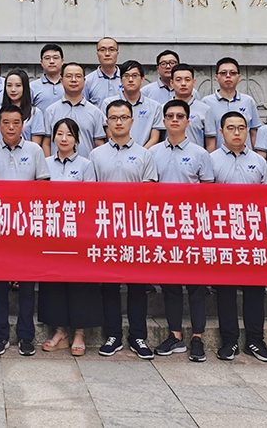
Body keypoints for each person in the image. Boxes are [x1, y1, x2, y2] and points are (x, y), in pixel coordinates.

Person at [91, 99, 158, 358]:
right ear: (107, 122)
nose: (119, 122)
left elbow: (150, 192)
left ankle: (138, 336)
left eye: (123, 117)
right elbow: (91, 194)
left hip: (135, 228)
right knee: (109, 285)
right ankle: (113, 335)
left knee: (137, 285)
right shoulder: (96, 155)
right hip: (106, 228)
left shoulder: (144, 154)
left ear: (132, 121)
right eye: (114, 118)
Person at [0, 105, 50, 357]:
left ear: (23, 125)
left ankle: (25, 336)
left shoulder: (34, 150)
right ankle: (0, 336)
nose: (11, 127)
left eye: (16, 122)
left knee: (27, 286)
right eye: (6, 122)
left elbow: (43, 185)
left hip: (27, 227)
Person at [149, 100, 214, 362]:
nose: (174, 120)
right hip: (164, 226)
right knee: (170, 285)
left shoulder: (200, 154)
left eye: (179, 116)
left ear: (188, 121)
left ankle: (198, 337)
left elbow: (208, 193)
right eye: (170, 116)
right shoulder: (153, 153)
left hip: (193, 226)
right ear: (164, 121)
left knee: (196, 286)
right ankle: (175, 335)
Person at [210, 111, 267, 362]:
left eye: (241, 128)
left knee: (254, 289)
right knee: (225, 289)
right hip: (222, 234)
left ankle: (255, 340)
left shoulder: (258, 161)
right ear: (221, 131)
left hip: (252, 234)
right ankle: (229, 341)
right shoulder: (211, 159)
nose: (236, 132)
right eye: (231, 128)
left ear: (248, 131)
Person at [39, 118, 102, 357]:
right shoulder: (45, 163)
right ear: (53, 137)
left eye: (69, 134)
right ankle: (60, 331)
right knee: (54, 281)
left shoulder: (86, 165)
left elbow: (90, 197)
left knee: (80, 281)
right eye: (59, 134)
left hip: (79, 231)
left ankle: (79, 333)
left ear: (77, 139)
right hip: (52, 231)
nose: (64, 138)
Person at [42, 63, 107, 158]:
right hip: (57, 165)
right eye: (69, 76)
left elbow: (99, 144)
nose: (73, 80)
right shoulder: (50, 111)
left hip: (86, 165)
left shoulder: (95, 112)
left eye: (78, 76)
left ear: (84, 81)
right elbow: (47, 143)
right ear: (62, 81)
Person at [102, 60, 163, 148]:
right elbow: (110, 134)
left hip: (145, 153)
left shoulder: (155, 106)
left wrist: (140, 153)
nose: (130, 80)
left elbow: (154, 138)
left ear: (142, 79)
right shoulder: (108, 103)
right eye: (126, 76)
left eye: (135, 76)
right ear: (121, 80)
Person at [202, 57, 260, 149]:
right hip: (219, 155)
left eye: (233, 73)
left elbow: (254, 133)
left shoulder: (248, 101)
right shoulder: (206, 102)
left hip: (245, 155)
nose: (228, 76)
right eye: (223, 73)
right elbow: (207, 137)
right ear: (216, 77)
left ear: (239, 77)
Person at [0, 69, 45, 146]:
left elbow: (35, 146)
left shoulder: (35, 112)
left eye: (18, 85)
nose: (13, 89)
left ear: (25, 87)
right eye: (9, 85)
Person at [170, 64, 216, 152]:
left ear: (193, 82)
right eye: (178, 80)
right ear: (172, 83)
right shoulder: (163, 108)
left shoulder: (205, 109)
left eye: (187, 80)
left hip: (196, 158)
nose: (183, 84)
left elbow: (210, 142)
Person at [85, 37, 122, 109]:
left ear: (117, 53)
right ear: (97, 54)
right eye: (102, 50)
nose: (107, 54)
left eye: (111, 50)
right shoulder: (87, 81)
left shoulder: (126, 78)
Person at [30, 43, 65, 109]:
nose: (51, 61)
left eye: (55, 58)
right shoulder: (32, 87)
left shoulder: (70, 85)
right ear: (41, 62)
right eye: (47, 58)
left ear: (62, 61)